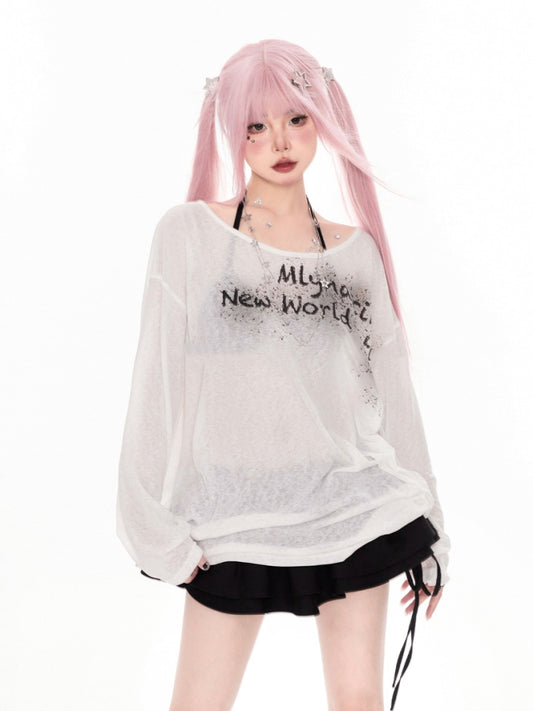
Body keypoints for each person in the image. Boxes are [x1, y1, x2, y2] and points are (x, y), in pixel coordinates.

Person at [116, 39, 451, 711]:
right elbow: (154, 390)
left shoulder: (355, 254)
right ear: (231, 130)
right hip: (233, 520)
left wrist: (433, 529)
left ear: (321, 119)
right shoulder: (188, 236)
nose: (280, 141)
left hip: (355, 510)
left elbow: (394, 396)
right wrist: (154, 532)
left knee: (356, 700)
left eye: (297, 118)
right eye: (255, 125)